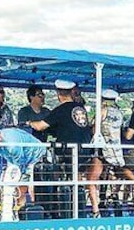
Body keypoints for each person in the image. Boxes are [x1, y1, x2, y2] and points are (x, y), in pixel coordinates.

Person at [28, 79, 102, 217]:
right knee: (77, 182)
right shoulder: (81, 108)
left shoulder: (60, 110)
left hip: (67, 153)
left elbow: (40, 126)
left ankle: (58, 209)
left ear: (58, 94)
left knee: (55, 175)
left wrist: (29, 123)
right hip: (84, 151)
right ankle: (78, 210)